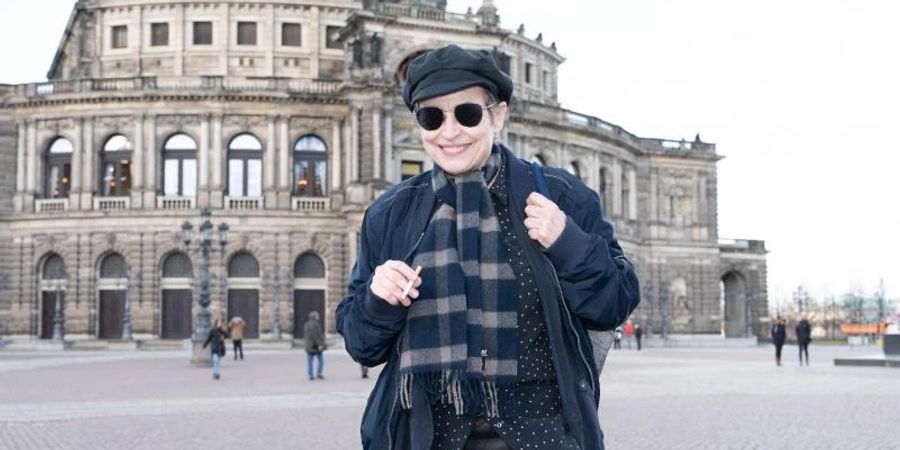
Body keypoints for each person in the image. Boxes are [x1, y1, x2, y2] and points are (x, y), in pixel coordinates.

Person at [336, 44, 640, 450]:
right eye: (431, 117)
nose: (449, 132)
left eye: (467, 113)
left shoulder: (562, 196)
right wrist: (377, 300)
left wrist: (569, 243)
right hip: (424, 436)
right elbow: (361, 345)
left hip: (541, 435)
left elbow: (615, 301)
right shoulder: (390, 214)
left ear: (498, 115)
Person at [303, 311, 326, 380]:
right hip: (316, 346)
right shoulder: (316, 324)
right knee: (321, 360)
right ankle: (319, 374)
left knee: (310, 361)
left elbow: (306, 336)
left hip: (308, 346)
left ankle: (310, 375)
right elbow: (317, 336)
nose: (318, 317)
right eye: (317, 316)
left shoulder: (306, 324)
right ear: (315, 317)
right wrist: (320, 344)